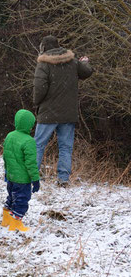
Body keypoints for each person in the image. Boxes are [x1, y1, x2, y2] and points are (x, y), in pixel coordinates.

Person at [33, 35, 93, 186]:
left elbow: (39, 89)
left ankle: (32, 176)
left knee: (38, 144)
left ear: (44, 48)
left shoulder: (43, 65)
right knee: (65, 147)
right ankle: (63, 179)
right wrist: (85, 63)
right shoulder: (72, 62)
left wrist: (36, 103)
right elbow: (86, 72)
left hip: (48, 113)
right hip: (68, 113)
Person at [2, 109, 41, 232]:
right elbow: (31, 164)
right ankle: (15, 224)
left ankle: (6, 220)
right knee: (21, 200)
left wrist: (7, 173)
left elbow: (5, 157)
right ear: (30, 124)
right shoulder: (29, 141)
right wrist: (35, 179)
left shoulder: (9, 136)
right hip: (22, 179)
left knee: (11, 197)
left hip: (11, 176)